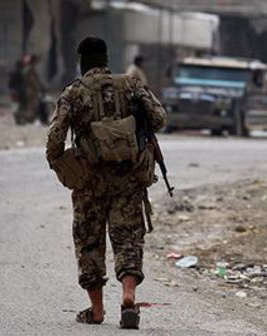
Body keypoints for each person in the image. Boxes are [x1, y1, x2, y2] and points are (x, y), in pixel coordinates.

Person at [46, 37, 166, 328]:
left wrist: (64, 166)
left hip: (89, 182)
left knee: (90, 242)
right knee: (127, 238)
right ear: (106, 59)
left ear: (82, 62)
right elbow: (160, 119)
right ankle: (128, 296)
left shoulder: (73, 92)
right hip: (127, 178)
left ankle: (97, 309)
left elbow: (54, 139)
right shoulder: (131, 85)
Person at [22, 54, 44, 124]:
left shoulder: (26, 69)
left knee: (31, 105)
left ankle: (29, 119)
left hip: (28, 89)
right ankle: (29, 120)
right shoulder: (30, 69)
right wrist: (38, 88)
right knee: (32, 106)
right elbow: (33, 81)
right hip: (31, 90)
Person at [8, 59, 27, 125]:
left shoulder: (12, 72)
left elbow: (10, 83)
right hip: (19, 91)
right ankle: (20, 120)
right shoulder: (20, 73)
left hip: (13, 91)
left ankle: (18, 120)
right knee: (20, 106)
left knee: (15, 106)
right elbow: (22, 83)